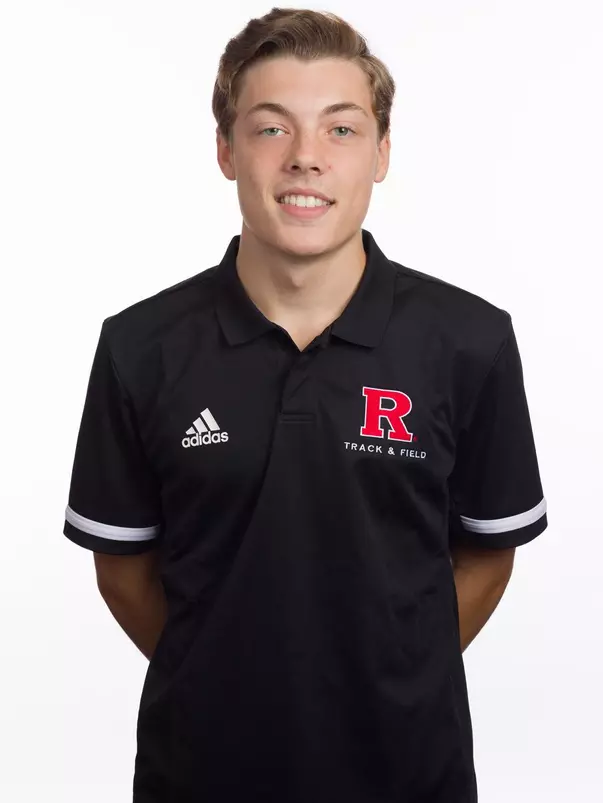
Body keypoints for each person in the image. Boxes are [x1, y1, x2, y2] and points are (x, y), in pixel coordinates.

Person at [63, 7, 548, 802]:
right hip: (201, 774)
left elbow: (488, 553)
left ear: (382, 154)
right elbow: (122, 569)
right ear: (225, 150)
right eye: (270, 129)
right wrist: (226, 681)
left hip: (409, 774)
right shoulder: (140, 346)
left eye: (341, 130)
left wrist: (389, 675)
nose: (306, 160)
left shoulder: (469, 340)